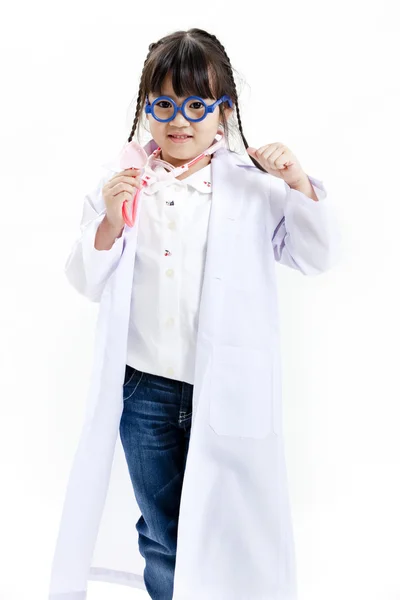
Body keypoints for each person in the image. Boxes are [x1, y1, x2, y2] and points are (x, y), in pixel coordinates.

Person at [48, 28, 341, 600]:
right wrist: (110, 220)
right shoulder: (125, 185)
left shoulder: (253, 188)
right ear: (146, 110)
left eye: (196, 105)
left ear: (223, 113)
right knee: (162, 534)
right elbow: (85, 279)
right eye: (164, 104)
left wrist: (298, 183)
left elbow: (315, 256)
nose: (179, 120)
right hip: (144, 394)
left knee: (229, 536)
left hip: (223, 392)